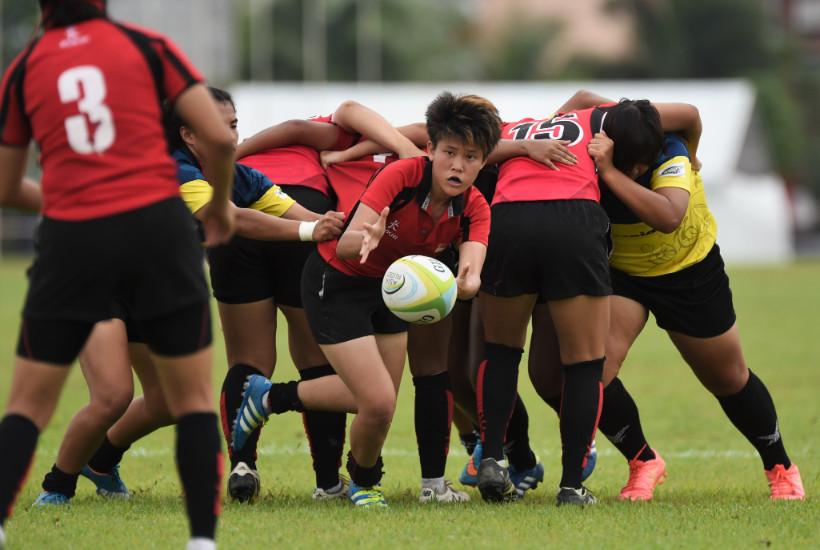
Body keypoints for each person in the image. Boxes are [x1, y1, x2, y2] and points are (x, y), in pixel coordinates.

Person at [0, 2, 235, 550]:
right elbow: (221, 140)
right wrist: (221, 206)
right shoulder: (148, 45)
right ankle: (202, 541)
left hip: (73, 239)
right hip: (159, 230)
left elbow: (7, 188)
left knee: (29, 404)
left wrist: (71, 202)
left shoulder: (25, 66)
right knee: (193, 398)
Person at [232, 91, 501, 507]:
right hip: (337, 281)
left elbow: (472, 271)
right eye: (449, 152)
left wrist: (464, 284)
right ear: (430, 149)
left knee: (379, 406)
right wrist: (368, 236)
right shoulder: (402, 175)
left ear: (483, 162)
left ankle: (268, 397)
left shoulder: (475, 207)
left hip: (392, 290)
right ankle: (367, 484)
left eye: (471, 157)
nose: (458, 166)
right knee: (377, 402)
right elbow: (343, 246)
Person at [538, 91, 805, 501]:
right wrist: (553, 135)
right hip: (622, 274)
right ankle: (642, 460)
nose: (639, 170)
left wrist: (620, 170)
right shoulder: (601, 132)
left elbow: (669, 214)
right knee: (590, 372)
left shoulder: (667, 148)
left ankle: (780, 466)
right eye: (632, 165)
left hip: (687, 271)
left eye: (641, 166)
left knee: (727, 377)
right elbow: (582, 98)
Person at [475, 98, 666, 506]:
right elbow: (680, 113)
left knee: (500, 351)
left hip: (507, 220)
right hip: (572, 216)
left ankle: (491, 458)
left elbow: (470, 149)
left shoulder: (515, 127)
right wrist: (691, 147)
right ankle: (571, 487)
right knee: (584, 364)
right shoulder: (600, 116)